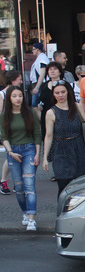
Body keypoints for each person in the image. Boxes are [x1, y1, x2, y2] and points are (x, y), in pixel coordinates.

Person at [42, 82, 85, 195]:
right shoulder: (51, 113)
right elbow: (48, 136)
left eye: (63, 92)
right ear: (53, 94)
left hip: (78, 148)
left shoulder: (77, 106)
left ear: (68, 92)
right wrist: (45, 157)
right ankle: (63, 211)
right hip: (61, 151)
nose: (60, 95)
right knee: (63, 187)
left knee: (82, 186)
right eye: (57, 93)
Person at [0, 86, 41, 231]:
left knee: (29, 185)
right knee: (18, 187)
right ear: (9, 99)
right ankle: (25, 212)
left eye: (20, 96)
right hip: (13, 151)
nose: (18, 99)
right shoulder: (4, 115)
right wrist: (10, 152)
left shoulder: (29, 113)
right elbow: (3, 136)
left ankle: (31, 218)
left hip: (29, 149)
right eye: (14, 96)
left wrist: (37, 154)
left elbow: (37, 134)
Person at [0, 71, 23, 195]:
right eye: (19, 79)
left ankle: (17, 182)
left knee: (17, 153)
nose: (21, 81)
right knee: (11, 154)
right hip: (8, 128)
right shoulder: (2, 94)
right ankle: (3, 181)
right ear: (13, 80)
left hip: (18, 128)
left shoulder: (18, 94)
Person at [28, 42, 50, 107]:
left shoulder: (42, 59)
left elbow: (42, 74)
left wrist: (37, 87)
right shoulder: (40, 58)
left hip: (40, 85)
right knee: (36, 104)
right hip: (39, 84)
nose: (32, 51)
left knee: (35, 105)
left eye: (33, 49)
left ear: (37, 50)